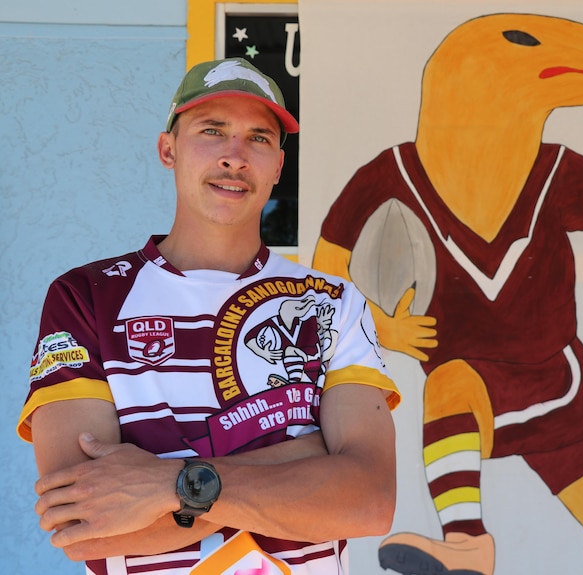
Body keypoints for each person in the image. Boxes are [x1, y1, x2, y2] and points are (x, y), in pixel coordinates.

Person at [18, 57, 400, 575]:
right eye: (212, 131)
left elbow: (369, 500)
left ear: (278, 167)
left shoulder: (333, 302)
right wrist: (301, 458)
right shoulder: (84, 296)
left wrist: (164, 485)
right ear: (168, 150)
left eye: (259, 138)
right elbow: (82, 527)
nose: (234, 157)